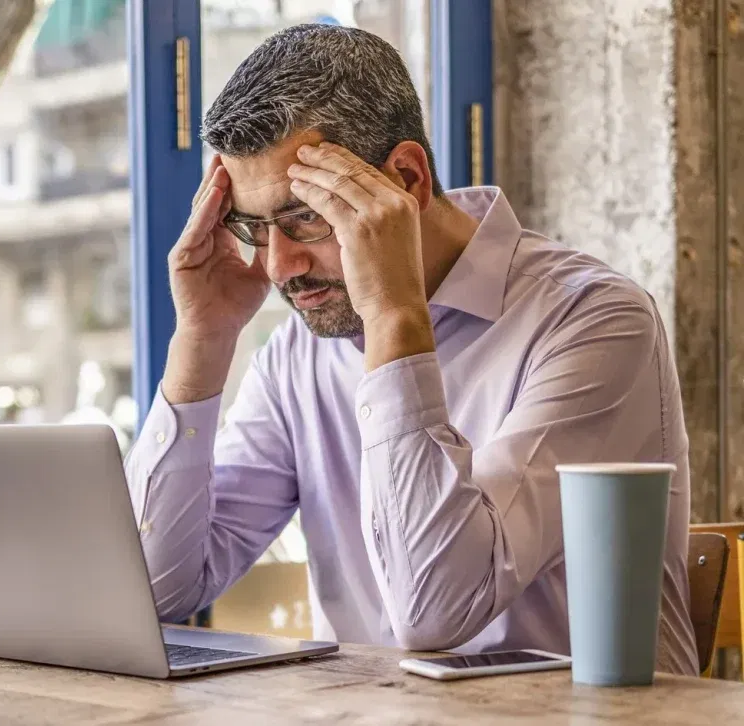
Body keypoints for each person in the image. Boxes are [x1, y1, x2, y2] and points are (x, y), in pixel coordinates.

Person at [123, 24, 698, 675]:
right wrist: (201, 340)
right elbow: (153, 592)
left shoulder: (591, 319)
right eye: (253, 228)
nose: (279, 267)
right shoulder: (299, 355)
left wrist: (395, 317)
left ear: (406, 177)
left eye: (305, 217)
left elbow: (436, 611)